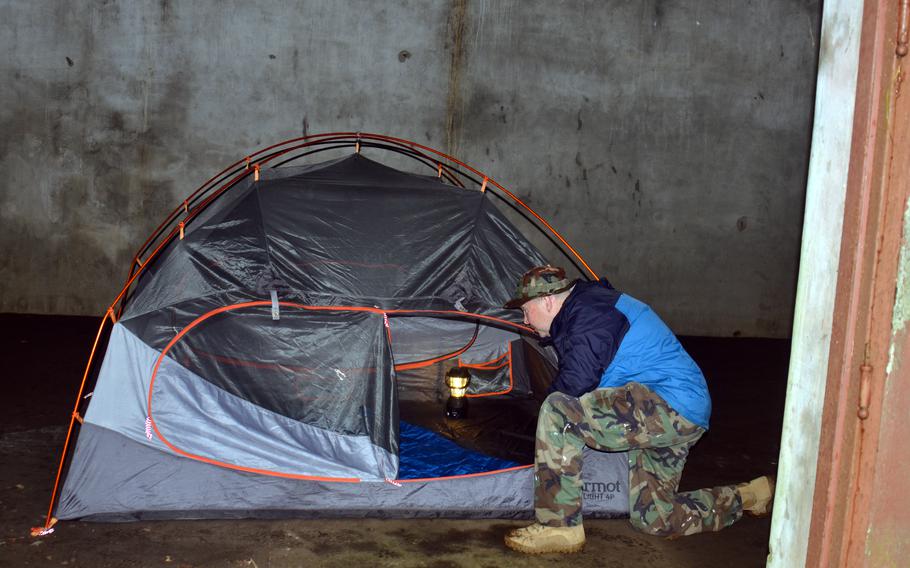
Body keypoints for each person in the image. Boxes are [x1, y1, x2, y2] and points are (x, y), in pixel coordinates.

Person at [502, 265, 774, 554]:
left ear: (547, 301)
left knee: (557, 411)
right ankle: (749, 496)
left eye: (525, 309)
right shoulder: (586, 309)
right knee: (655, 519)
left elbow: (573, 386)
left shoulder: (588, 313)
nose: (525, 319)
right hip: (681, 414)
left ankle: (559, 527)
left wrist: (540, 429)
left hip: (667, 403)